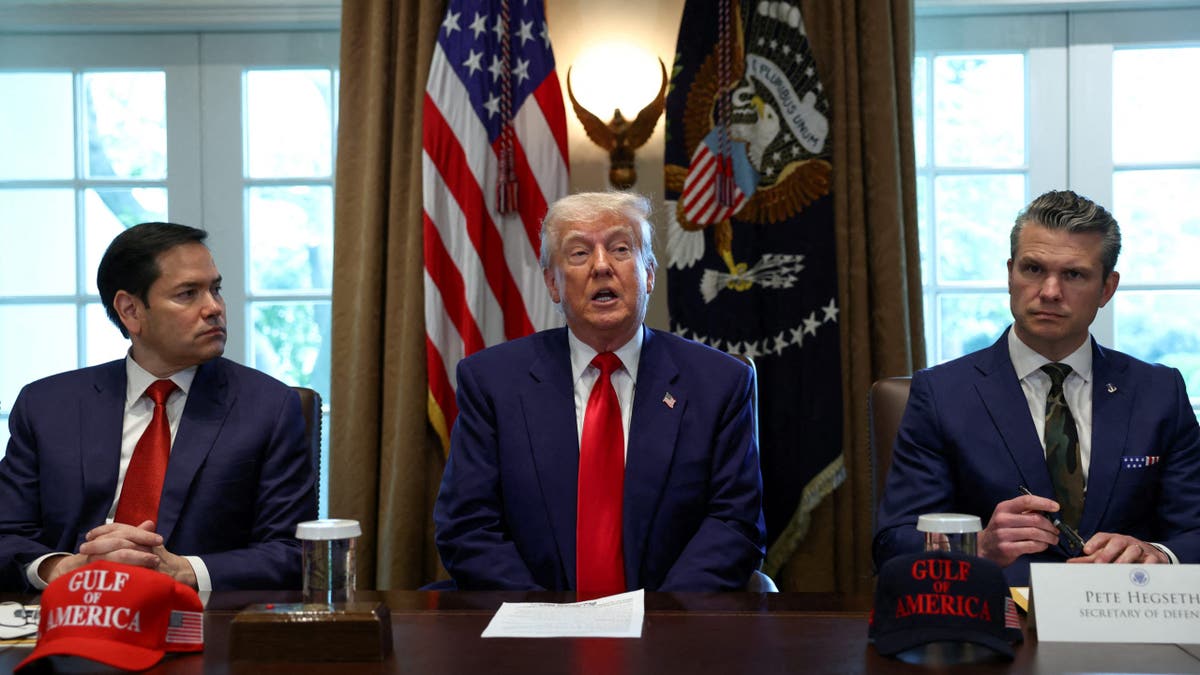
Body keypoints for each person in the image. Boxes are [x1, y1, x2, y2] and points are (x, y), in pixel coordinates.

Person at [433, 191, 766, 595]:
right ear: (553, 284)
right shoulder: (492, 383)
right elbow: (467, 526)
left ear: (648, 274)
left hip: (670, 629)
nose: (602, 266)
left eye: (620, 249)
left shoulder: (720, 384)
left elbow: (735, 525)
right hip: (531, 631)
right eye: (578, 254)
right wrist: (543, 619)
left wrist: (664, 619)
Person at [874, 190, 1200, 585]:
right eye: (1032, 269)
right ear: (1010, 273)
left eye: (1074, 275)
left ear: (1107, 288)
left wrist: (1158, 555)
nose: (1049, 291)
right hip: (996, 624)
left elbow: (1193, 531)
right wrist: (976, 546)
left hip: (1124, 618)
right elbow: (893, 542)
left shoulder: (1159, 391)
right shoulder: (941, 394)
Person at [0, 222, 316, 592]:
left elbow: (292, 552)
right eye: (188, 294)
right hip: (69, 616)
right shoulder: (48, 406)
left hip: (196, 621)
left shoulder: (268, 407)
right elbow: (7, 534)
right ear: (130, 310)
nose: (213, 307)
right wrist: (66, 568)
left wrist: (182, 570)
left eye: (215, 289)